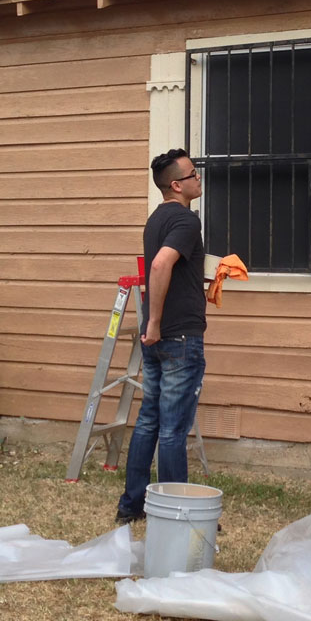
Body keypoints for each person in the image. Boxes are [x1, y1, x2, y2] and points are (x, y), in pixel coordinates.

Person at [115, 149, 207, 524]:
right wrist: (154, 322)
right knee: (172, 428)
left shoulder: (156, 220)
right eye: (192, 174)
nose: (198, 178)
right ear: (176, 184)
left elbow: (169, 269)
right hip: (178, 338)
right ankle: (175, 513)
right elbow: (159, 264)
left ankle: (131, 506)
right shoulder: (186, 220)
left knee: (149, 420)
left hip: (157, 340)